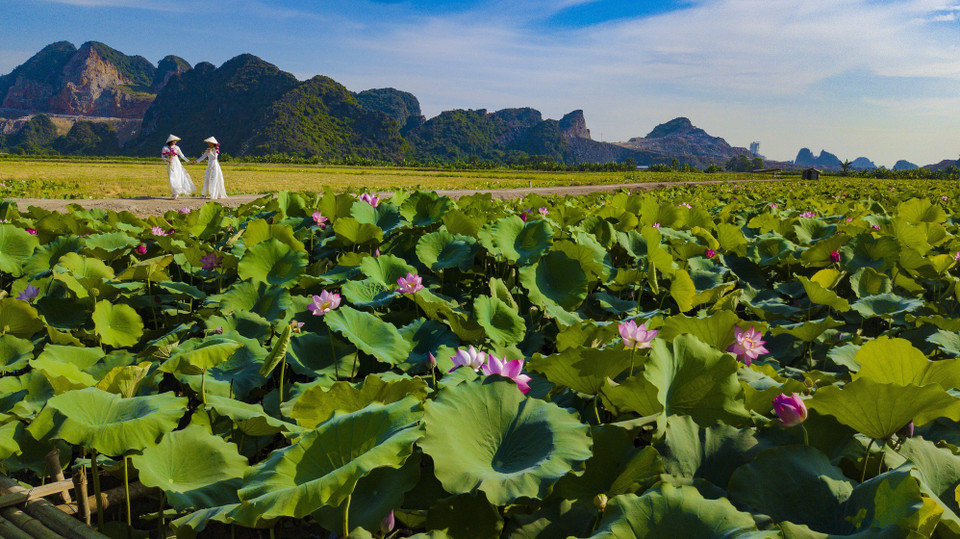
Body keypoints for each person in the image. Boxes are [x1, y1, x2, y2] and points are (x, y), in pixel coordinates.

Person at [161, 134, 196, 199]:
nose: (175, 142)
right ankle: (174, 192)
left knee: (177, 177)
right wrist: (167, 160)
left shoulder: (177, 148)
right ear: (171, 141)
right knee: (171, 177)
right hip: (170, 164)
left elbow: (182, 156)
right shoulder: (165, 148)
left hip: (176, 163)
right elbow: (162, 156)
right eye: (174, 141)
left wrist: (188, 161)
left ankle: (176, 193)